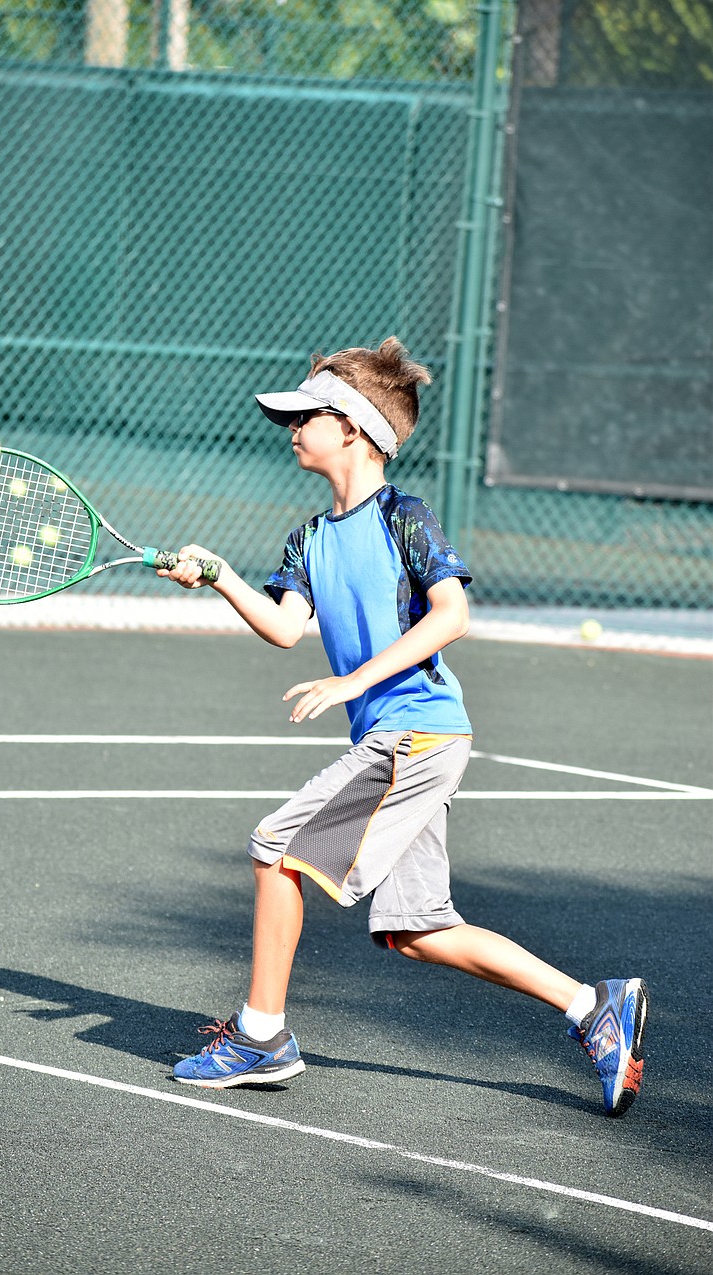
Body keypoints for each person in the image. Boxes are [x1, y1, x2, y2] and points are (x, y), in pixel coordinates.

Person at [159, 336, 648, 1117]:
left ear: (354, 428)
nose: (292, 428)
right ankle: (594, 1006)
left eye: (306, 416)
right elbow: (284, 626)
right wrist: (217, 575)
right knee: (417, 928)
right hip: (407, 739)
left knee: (275, 848)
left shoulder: (403, 516)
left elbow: (452, 614)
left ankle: (260, 1036)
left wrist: (353, 680)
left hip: (416, 732)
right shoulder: (310, 537)